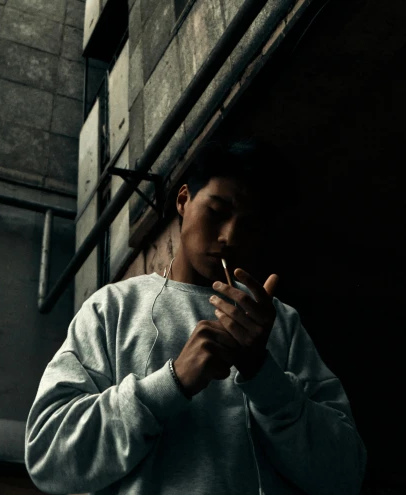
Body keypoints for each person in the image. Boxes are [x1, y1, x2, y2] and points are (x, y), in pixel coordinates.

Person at [25, 139, 367, 494]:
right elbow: (49, 456)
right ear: (184, 200)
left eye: (248, 226)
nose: (229, 237)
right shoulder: (113, 307)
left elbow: (344, 476)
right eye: (217, 212)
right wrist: (172, 383)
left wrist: (263, 375)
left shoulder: (281, 323)